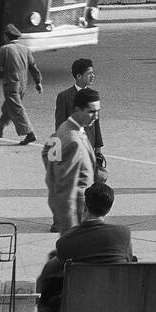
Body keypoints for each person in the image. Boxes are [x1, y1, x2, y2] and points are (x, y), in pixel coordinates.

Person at [34, 181, 134, 312]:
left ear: (84, 207)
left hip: (79, 310)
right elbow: (129, 261)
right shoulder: (123, 234)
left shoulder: (66, 242)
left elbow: (53, 272)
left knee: (50, 293)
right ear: (109, 208)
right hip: (116, 306)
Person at [42, 88, 100, 234]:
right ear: (78, 109)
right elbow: (66, 190)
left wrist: (53, 173)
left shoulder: (64, 128)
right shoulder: (73, 140)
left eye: (98, 111)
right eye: (91, 111)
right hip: (77, 213)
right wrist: (70, 230)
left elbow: (46, 152)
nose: (96, 116)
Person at [0, 24, 43, 145]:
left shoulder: (5, 49)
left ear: (6, 37)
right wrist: (38, 82)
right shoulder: (25, 49)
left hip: (11, 84)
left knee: (16, 108)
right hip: (23, 84)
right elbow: (33, 67)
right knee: (8, 107)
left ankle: (29, 133)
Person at [54, 58, 106, 199]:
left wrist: (98, 148)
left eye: (92, 72)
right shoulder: (64, 97)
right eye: (89, 73)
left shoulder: (93, 96)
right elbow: (59, 125)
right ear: (78, 76)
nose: (92, 76)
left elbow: (96, 123)